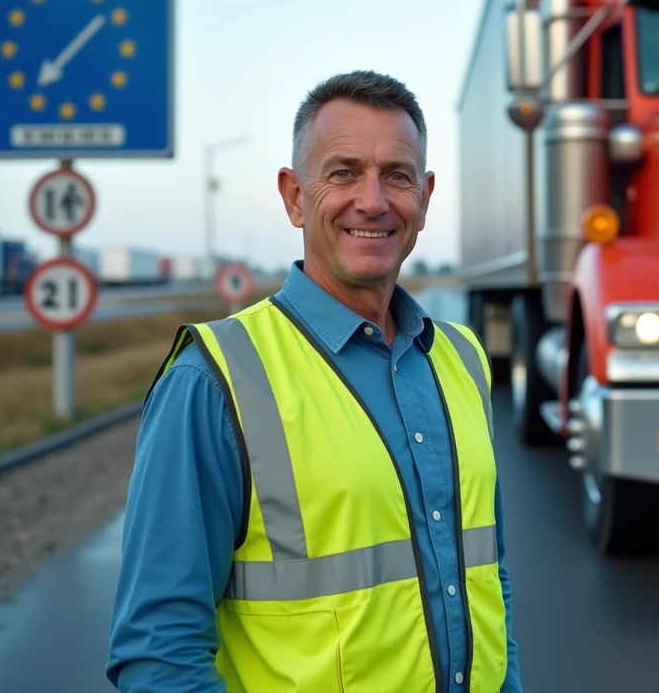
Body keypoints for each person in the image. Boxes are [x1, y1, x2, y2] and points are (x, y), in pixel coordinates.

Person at [106, 70, 523, 692]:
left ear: (425, 197)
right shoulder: (214, 380)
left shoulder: (461, 358)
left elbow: (486, 580)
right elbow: (158, 651)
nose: (373, 201)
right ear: (295, 196)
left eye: (397, 175)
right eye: (344, 173)